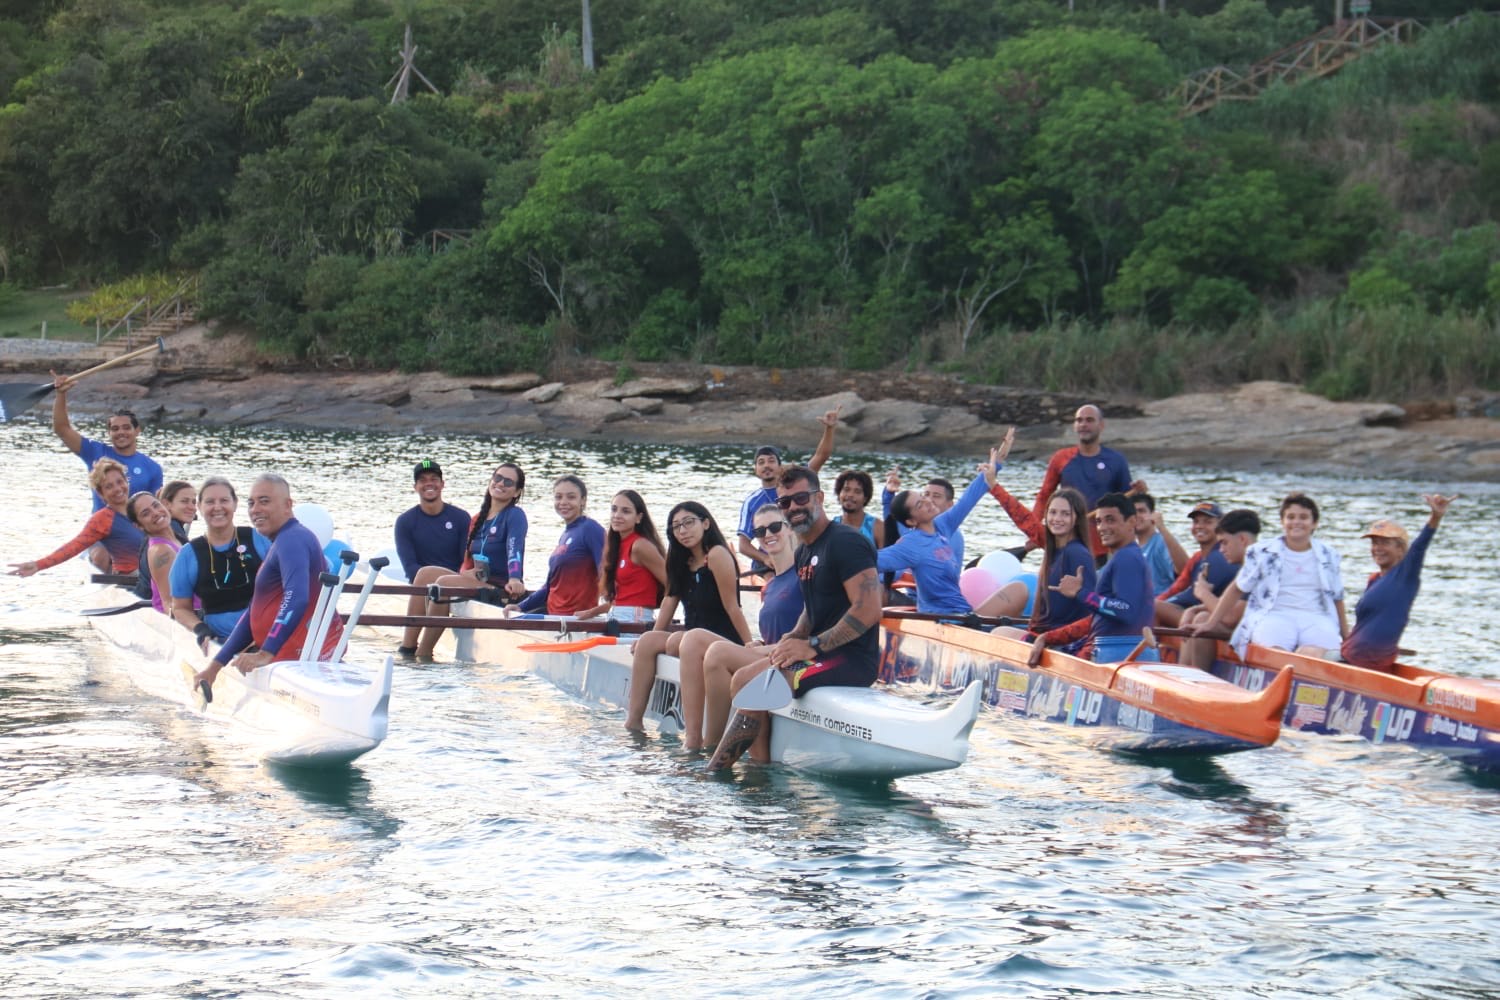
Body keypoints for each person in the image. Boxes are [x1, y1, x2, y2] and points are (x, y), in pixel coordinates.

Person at [708, 465, 884, 768]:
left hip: (850, 660)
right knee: (742, 678)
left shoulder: (847, 542)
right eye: (785, 503)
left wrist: (812, 645)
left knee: (756, 683)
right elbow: (813, 606)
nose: (793, 508)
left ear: (819, 498)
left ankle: (719, 771)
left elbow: (869, 609)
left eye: (800, 498)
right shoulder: (804, 550)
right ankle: (758, 769)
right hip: (818, 654)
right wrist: (794, 636)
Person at [193, 474, 343, 691]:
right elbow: (252, 614)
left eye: (264, 501)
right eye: (251, 503)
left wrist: (266, 653)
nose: (255, 510)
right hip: (294, 658)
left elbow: (297, 597)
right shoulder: (285, 540)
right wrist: (215, 666)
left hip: (296, 665)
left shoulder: (292, 539)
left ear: (287, 505)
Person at [625, 501, 752, 742]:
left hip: (719, 640)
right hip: (690, 638)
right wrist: (651, 636)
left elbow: (733, 607)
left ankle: (693, 737)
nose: (683, 530)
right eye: (676, 527)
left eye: (688, 523)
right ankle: (634, 722)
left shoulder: (717, 555)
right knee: (650, 640)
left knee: (680, 641)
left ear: (705, 523)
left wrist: (748, 645)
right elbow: (669, 601)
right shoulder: (679, 560)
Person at [878, 436, 1027, 618]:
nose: (928, 501)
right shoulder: (911, 544)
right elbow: (868, 560)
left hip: (962, 613)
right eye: (920, 504)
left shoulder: (942, 526)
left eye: (923, 496)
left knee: (1019, 589)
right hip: (940, 620)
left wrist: (995, 466)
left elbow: (968, 499)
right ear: (911, 521)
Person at [697, 504, 805, 748]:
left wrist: (766, 650)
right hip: (771, 656)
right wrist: (762, 646)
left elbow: (810, 632)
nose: (767, 535)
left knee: (718, 653)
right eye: (759, 531)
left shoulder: (803, 576)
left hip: (793, 661)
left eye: (775, 527)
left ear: (789, 530)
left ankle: (712, 746)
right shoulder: (771, 585)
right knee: (695, 638)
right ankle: (698, 739)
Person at [1194, 493, 1347, 660]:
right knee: (1276, 650)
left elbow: (1337, 598)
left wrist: (1346, 637)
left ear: (1314, 523)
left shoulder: (1329, 555)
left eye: (1303, 517)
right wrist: (1211, 623)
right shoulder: (1262, 551)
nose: (1296, 522)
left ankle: (1310, 675)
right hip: (1275, 614)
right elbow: (1237, 588)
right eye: (1291, 517)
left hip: (1315, 615)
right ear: (1283, 522)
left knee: (1324, 651)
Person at [1315, 494, 1454, 671]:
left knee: (1310, 653)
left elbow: (1419, 547)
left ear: (1400, 548)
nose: (1377, 548)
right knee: (1308, 651)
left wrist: (1435, 517)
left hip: (1367, 665)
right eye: (1374, 543)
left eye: (1384, 543)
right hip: (1349, 656)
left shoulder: (1405, 576)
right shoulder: (1374, 579)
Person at [409, 462, 528, 658]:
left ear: (516, 492)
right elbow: (466, 564)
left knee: (443, 583)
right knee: (424, 574)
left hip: (500, 587)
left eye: (508, 481)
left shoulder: (515, 515)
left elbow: (514, 548)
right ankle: (408, 646)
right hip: (477, 581)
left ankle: (424, 654)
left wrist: (515, 578)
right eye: (497, 478)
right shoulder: (478, 518)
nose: (500, 483)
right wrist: (465, 573)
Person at [1029, 491, 1156, 663]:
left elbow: (1125, 611)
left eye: (1110, 520)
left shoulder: (1127, 558)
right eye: (1098, 521)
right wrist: (1048, 637)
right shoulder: (1123, 557)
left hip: (1120, 654)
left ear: (1132, 522)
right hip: (1111, 650)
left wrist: (1081, 593)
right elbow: (1102, 614)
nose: (1102, 527)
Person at [1032, 404, 1144, 562]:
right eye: (1079, 420)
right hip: (1068, 541)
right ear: (1075, 426)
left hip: (1104, 545)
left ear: (1101, 425)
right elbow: (1044, 496)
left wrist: (1139, 493)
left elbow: (1126, 505)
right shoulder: (1061, 458)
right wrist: (1034, 529)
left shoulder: (1116, 461)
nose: (1084, 424)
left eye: (1089, 420)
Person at [987, 483, 1097, 637]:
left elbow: (1090, 610)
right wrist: (993, 486)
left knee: (998, 633)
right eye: (1053, 512)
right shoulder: (1053, 545)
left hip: (1056, 641)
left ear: (1077, 518)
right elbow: (1024, 519)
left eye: (1065, 514)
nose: (1057, 519)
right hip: (1041, 632)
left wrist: (1080, 594)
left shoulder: (1077, 554)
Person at [168, 477, 270, 642]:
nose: (217, 507)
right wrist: (200, 629)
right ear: (199, 507)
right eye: (209, 502)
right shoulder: (188, 554)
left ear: (235, 504)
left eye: (224, 500)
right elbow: (180, 608)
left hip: (265, 637)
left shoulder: (260, 538)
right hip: (220, 641)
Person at [735, 409, 836, 573]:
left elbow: (821, 455)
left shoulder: (797, 483)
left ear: (780, 466)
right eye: (761, 462)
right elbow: (743, 545)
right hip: (769, 563)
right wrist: (765, 559)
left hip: (802, 553)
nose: (766, 465)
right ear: (756, 469)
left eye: (771, 461)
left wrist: (830, 429)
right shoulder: (752, 502)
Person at [9, 458, 143, 577]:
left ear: (127, 481)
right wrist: (38, 565)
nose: (118, 489)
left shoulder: (142, 507)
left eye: (120, 482)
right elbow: (73, 547)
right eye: (109, 486)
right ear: (101, 493)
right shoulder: (102, 520)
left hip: (155, 572)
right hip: (132, 578)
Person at [393, 460, 472, 654]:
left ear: (442, 484)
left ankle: (408, 647)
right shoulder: (405, 522)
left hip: (455, 579)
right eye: (423, 480)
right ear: (415, 487)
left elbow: (466, 561)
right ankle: (416, 647)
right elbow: (410, 568)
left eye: (434, 479)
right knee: (423, 574)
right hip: (423, 584)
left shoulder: (461, 518)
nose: (429, 484)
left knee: (429, 576)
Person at [51, 379, 163, 513]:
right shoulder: (95, 452)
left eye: (126, 428)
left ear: (137, 430)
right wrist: (61, 394)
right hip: (101, 528)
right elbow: (62, 429)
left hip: (133, 530)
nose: (121, 432)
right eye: (115, 429)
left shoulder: (152, 468)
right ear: (109, 433)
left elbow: (155, 507)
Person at [1176, 509, 1260, 668]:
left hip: (1263, 633)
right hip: (1250, 627)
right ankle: (1184, 674)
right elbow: (1231, 605)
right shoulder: (1247, 566)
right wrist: (1192, 609)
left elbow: (1230, 617)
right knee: (1198, 615)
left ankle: (1196, 681)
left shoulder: (1257, 566)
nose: (1221, 550)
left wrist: (1203, 593)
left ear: (1242, 539)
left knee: (1202, 619)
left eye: (1224, 542)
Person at [513, 475, 605, 616]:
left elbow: (606, 574)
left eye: (571, 497)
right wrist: (520, 607)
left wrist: (599, 611)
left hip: (574, 622)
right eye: (558, 497)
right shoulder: (566, 535)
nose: (563, 502)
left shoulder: (591, 529)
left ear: (583, 501)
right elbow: (549, 587)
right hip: (552, 616)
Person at [578, 490, 667, 622]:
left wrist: (663, 622)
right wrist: (592, 612)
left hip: (636, 619)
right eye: (614, 510)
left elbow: (672, 584)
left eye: (626, 511)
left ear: (639, 517)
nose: (617, 515)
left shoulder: (640, 546)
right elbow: (623, 599)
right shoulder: (617, 547)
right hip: (617, 616)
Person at [1154, 501, 1229, 627]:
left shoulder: (1218, 558)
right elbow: (1181, 592)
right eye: (1196, 522)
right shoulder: (1199, 558)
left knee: (1151, 607)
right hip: (1199, 612)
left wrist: (1157, 604)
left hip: (1210, 619)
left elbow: (1191, 598)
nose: (1199, 526)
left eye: (1207, 522)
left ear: (1220, 527)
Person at [125, 491, 191, 615]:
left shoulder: (176, 540)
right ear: (139, 526)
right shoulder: (161, 552)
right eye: (146, 513)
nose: (155, 513)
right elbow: (169, 603)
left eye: (156, 505)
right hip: (189, 621)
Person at [1131, 494, 1187, 593]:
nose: (1137, 516)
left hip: (1162, 603)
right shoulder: (1130, 549)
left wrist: (1162, 527)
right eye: (1132, 512)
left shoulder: (1161, 542)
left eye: (1141, 511)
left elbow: (1185, 571)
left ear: (1153, 515)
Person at [832, 469, 885, 548]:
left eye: (857, 492)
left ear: (865, 498)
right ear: (839, 493)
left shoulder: (877, 527)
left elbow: (886, 558)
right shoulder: (831, 527)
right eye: (846, 489)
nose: (850, 495)